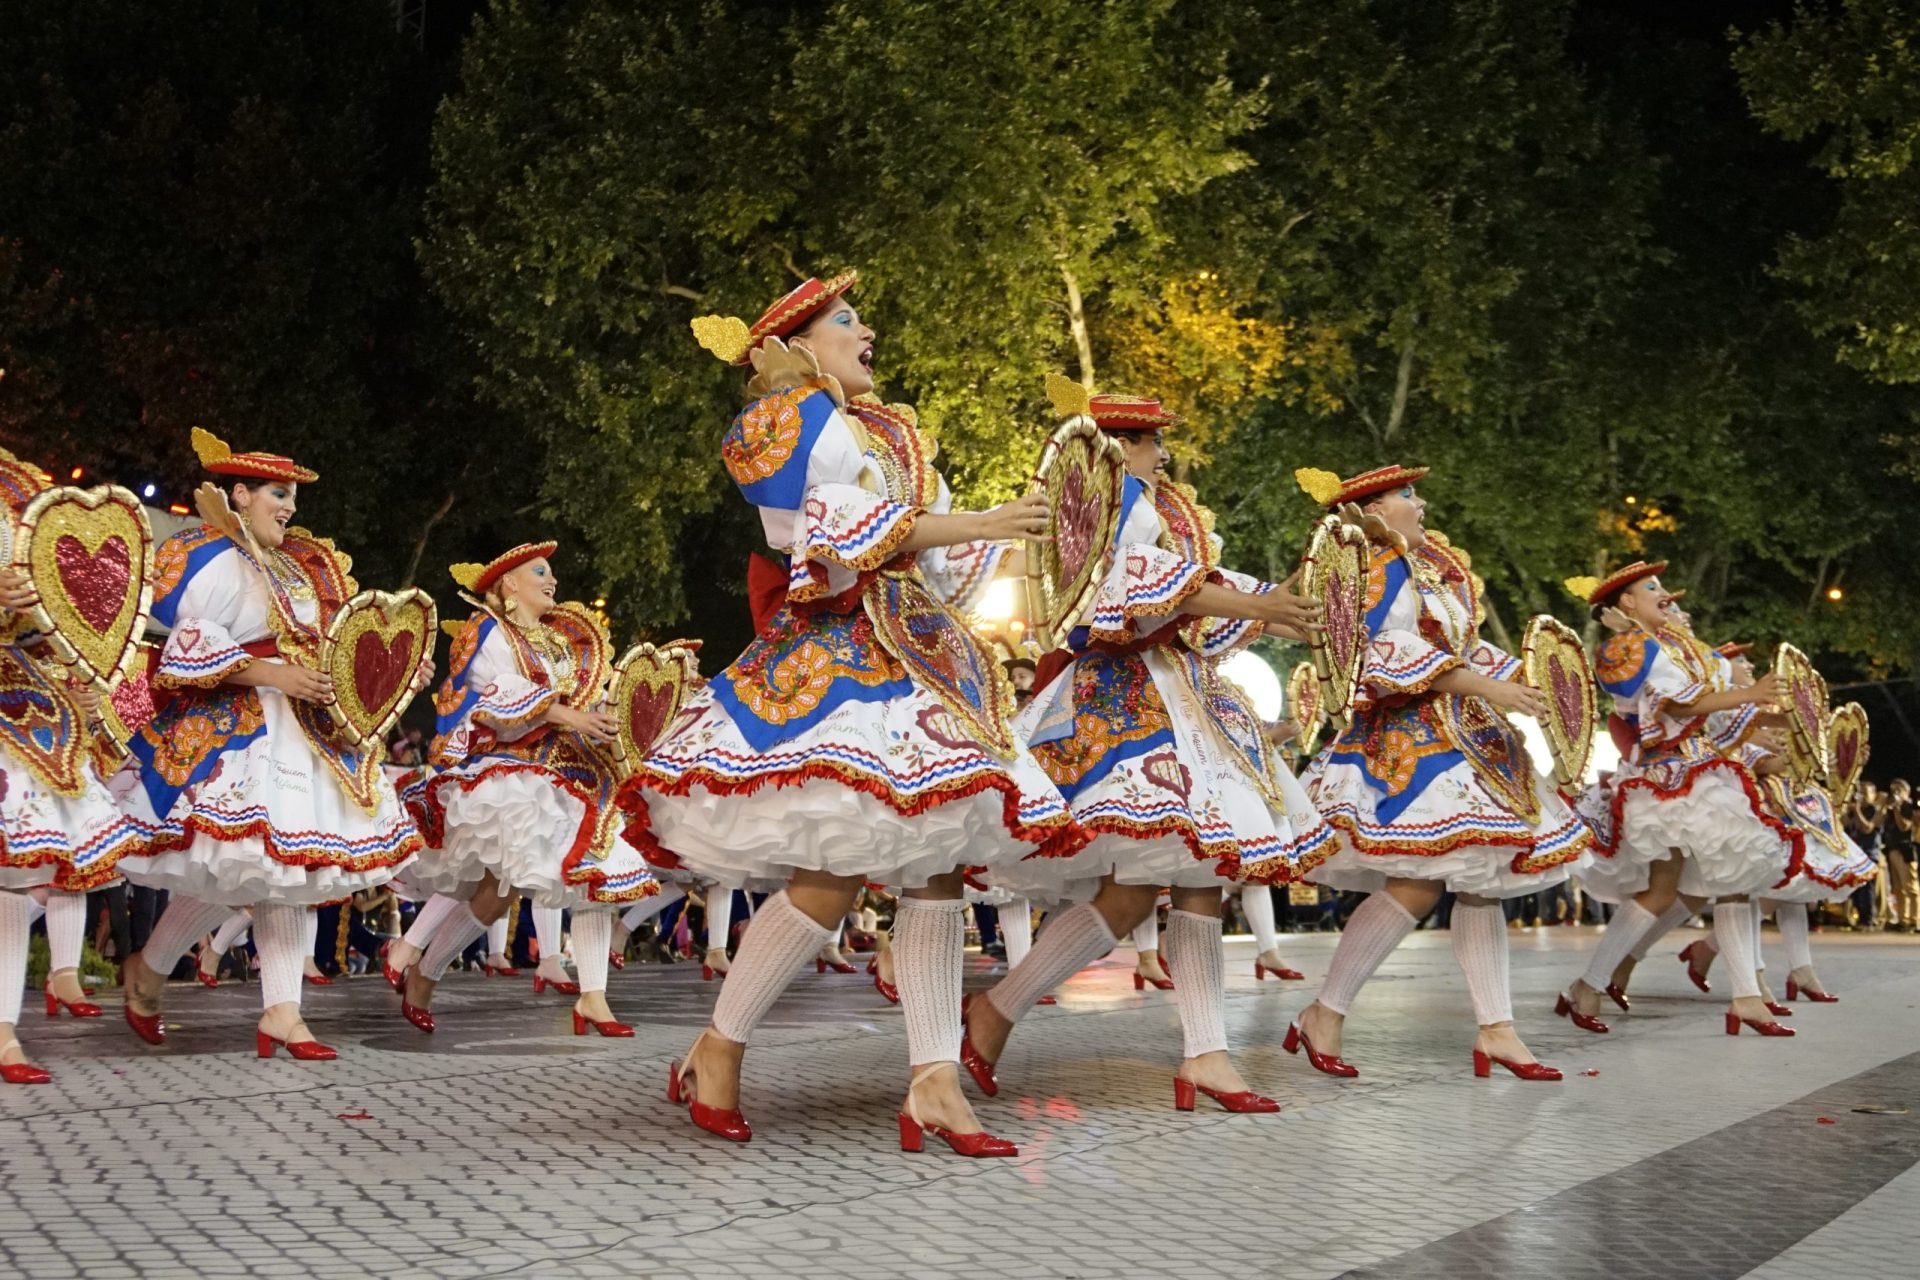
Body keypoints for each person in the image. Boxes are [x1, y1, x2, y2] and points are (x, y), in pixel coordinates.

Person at [619, 272, 1080, 1154]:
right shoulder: (782, 420)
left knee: (939, 865)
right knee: (829, 880)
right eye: (846, 320)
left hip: (923, 655)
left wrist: (1022, 531)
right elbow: (835, 532)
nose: (867, 330)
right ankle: (719, 1048)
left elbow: (938, 553)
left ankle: (936, 1081)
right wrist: (976, 518)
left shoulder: (892, 433)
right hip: (837, 657)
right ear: (794, 346)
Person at [960, 378, 1331, 1113]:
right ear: (1124, 445)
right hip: (1125, 699)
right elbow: (1150, 585)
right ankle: (1001, 1009)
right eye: (1154, 441)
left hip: (1170, 693)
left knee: (1190, 880)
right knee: (1144, 888)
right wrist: (1264, 605)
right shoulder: (1109, 498)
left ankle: (1205, 1054)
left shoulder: (1149, 507)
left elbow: (1200, 584)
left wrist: (1281, 608)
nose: (1162, 455)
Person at [110, 429, 429, 1058]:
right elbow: (186, 649)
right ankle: (155, 971)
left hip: (303, 730)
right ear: (241, 495)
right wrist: (274, 673)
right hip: (238, 731)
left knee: (287, 871)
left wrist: (386, 678)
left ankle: (277, 1012)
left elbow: (331, 651)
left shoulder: (296, 569)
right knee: (239, 869)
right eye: (278, 494)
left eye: (292, 498)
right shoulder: (214, 555)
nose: (289, 507)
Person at [1289, 465, 1590, 1081]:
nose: (1419, 500)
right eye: (1405, 493)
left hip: (1468, 737)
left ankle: (1497, 1029)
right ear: (1371, 510)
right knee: (1417, 884)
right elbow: (1386, 653)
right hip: (1409, 741)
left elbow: (1464, 647)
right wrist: (1490, 687)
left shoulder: (1426, 568)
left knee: (1480, 879)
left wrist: (1522, 681)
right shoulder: (1369, 569)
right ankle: (1325, 1011)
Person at [386, 542, 659, 1036]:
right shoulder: (489, 632)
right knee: (494, 898)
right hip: (518, 775)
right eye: (540, 571)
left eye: (552, 572)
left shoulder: (562, 640)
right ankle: (423, 974)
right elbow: (496, 695)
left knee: (592, 881)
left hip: (579, 775)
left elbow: (589, 695)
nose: (551, 580)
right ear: (509, 584)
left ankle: (593, 998)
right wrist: (568, 714)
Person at [1558, 565, 1793, 1038]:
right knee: (1664, 892)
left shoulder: (1685, 650)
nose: (1665, 595)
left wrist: (1799, 723)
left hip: (1704, 772)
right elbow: (1677, 706)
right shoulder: (1626, 649)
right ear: (1626, 603)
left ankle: (1746, 997)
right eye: (1653, 589)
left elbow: (1726, 719)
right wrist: (1749, 693)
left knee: (1731, 881)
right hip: (1663, 777)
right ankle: (1589, 983)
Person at [0, 449, 148, 1083]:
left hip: (23, 709)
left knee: (16, 878)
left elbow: (40, 625)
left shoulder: (14, 496)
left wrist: (71, 664)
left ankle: (5, 1030)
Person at [1881, 780, 1918, 932]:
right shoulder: (1890, 808)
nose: (1894, 793)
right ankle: (1903, 919)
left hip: (1905, 850)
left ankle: (1915, 920)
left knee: (1910, 886)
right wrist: (1885, 806)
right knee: (1898, 888)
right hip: (1892, 849)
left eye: (1898, 790)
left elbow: (1904, 827)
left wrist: (1897, 808)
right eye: (1893, 790)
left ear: (1906, 792)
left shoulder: (1908, 807)